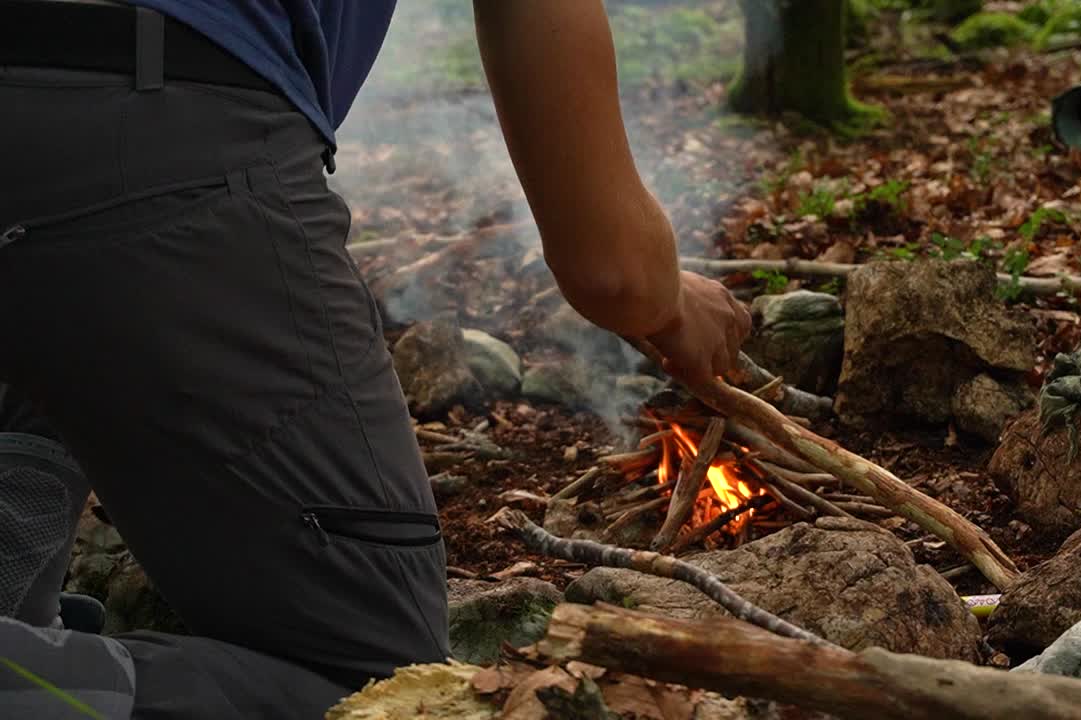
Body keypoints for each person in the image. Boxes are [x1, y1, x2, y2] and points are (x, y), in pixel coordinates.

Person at [0, 1, 752, 718]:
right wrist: (672, 304)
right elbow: (612, 269)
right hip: (149, 127)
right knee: (378, 686)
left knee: (57, 372)